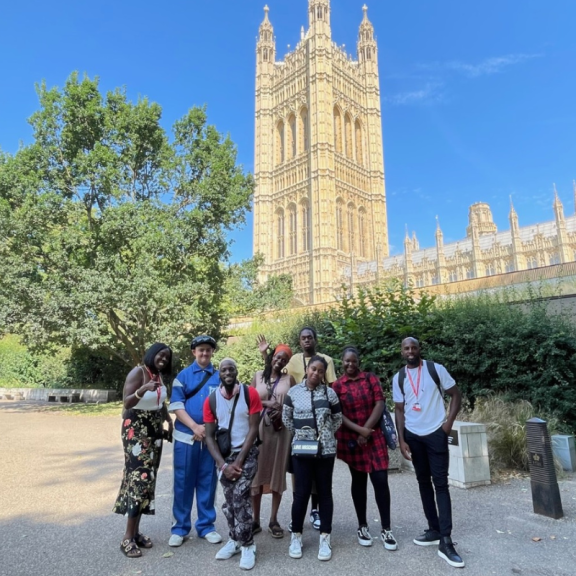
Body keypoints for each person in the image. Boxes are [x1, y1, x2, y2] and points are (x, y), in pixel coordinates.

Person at [393, 337, 465, 569]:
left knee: (440, 484)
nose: (411, 351)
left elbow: (456, 395)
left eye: (414, 347)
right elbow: (399, 410)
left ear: (419, 349)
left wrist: (447, 425)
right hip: (413, 437)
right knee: (423, 482)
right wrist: (402, 439)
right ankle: (434, 529)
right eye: (407, 348)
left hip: (436, 433)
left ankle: (446, 540)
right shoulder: (399, 377)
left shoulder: (436, 369)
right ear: (402, 352)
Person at [257, 326, 336, 530]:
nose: (307, 340)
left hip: (302, 427)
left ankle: (311, 511)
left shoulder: (323, 361)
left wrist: (326, 429)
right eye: (303, 337)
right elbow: (271, 373)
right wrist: (266, 354)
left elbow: (333, 406)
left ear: (315, 339)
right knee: (281, 474)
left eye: (310, 337)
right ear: (299, 341)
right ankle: (279, 516)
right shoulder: (286, 364)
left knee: (304, 474)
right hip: (275, 428)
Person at [333, 346, 398, 551]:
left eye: (354, 361)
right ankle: (362, 526)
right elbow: (338, 414)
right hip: (352, 439)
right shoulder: (336, 386)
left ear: (359, 361)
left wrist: (367, 429)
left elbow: (379, 404)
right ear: (341, 362)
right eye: (346, 361)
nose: (350, 364)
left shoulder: (370, 379)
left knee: (380, 480)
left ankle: (386, 528)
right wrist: (360, 431)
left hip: (374, 437)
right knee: (358, 482)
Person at [114, 342, 174, 558]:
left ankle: (136, 532)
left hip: (154, 429)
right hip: (136, 430)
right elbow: (127, 402)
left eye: (167, 357)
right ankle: (127, 538)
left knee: (148, 481)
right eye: (161, 354)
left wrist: (168, 421)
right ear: (152, 354)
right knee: (139, 479)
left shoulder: (158, 376)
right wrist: (141, 389)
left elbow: (160, 403)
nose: (163, 359)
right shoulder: (138, 372)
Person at [205, 358, 263, 571]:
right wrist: (223, 465)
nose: (228, 372)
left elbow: (253, 429)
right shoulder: (211, 400)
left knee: (239, 497)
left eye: (231, 369)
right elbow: (209, 437)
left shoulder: (250, 394)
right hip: (224, 458)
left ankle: (248, 544)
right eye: (223, 369)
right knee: (229, 502)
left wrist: (239, 461)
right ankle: (234, 539)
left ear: (237, 372)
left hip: (246, 455)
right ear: (219, 374)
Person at [283, 356, 342, 562]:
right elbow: (286, 418)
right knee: (301, 494)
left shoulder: (329, 393)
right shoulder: (293, 393)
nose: (315, 373)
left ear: (324, 374)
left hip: (325, 451)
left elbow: (337, 419)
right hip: (301, 451)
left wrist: (325, 435)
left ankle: (325, 537)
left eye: (320, 371)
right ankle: (296, 535)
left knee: (325, 493)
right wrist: (302, 435)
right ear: (307, 369)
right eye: (313, 369)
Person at [168, 335, 222, 547]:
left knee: (207, 482)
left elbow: (225, 406)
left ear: (212, 352)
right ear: (193, 352)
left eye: (208, 350)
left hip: (209, 440)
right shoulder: (183, 376)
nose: (204, 353)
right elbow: (176, 406)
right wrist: (195, 427)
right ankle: (179, 528)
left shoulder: (219, 377)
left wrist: (208, 430)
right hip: (186, 438)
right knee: (183, 482)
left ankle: (206, 526)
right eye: (201, 350)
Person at [251, 343, 295, 538]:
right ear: (272, 356)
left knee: (277, 472)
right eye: (278, 357)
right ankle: (255, 519)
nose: (280, 361)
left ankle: (273, 519)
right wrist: (266, 402)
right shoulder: (258, 376)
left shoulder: (289, 379)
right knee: (256, 473)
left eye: (284, 360)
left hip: (281, 431)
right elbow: (248, 401)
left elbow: (295, 404)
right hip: (259, 430)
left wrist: (283, 410)